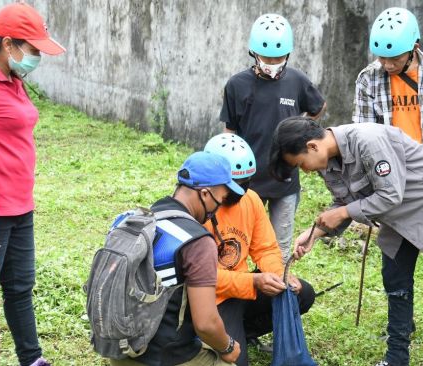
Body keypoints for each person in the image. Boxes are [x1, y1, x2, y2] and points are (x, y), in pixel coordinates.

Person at [269, 117, 423, 366]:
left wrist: (343, 213)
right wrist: (314, 234)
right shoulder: (327, 163)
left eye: (301, 164)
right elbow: (345, 203)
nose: (305, 171)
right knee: (396, 282)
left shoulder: (368, 141)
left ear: (312, 146)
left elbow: (389, 194)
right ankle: (396, 359)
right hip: (396, 216)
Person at [352, 7, 423, 352]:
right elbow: (360, 136)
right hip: (392, 182)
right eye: (381, 57)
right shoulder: (367, 79)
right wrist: (366, 193)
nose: (386, 64)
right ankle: (400, 324)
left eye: (394, 57)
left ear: (414, 46)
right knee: (396, 262)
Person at [0, 4, 65, 366]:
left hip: (20, 206)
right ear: (8, 43)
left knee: (20, 288)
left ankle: (31, 359)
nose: (37, 56)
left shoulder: (14, 79)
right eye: (33, 49)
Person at [112, 151, 243, 366]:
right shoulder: (197, 242)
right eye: (221, 200)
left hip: (117, 350)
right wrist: (228, 347)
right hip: (164, 358)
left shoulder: (132, 221)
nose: (219, 208)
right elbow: (206, 324)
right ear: (204, 194)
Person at [219, 13, 327, 262]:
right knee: (238, 243)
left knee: (280, 249)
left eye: (278, 58)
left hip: (285, 182)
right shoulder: (237, 85)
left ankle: (275, 294)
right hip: (246, 182)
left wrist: (303, 127)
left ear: (287, 54)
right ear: (254, 53)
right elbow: (230, 131)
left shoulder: (297, 81)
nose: (272, 62)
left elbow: (318, 105)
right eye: (267, 57)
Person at [202, 133, 315, 366]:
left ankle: (242, 331)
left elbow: (265, 248)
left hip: (241, 289)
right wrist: (253, 283)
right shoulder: (198, 209)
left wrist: (278, 275)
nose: (240, 191)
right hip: (212, 299)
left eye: (245, 184)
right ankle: (223, 335)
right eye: (233, 186)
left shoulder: (250, 200)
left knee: (302, 294)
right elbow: (202, 278)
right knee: (235, 362)